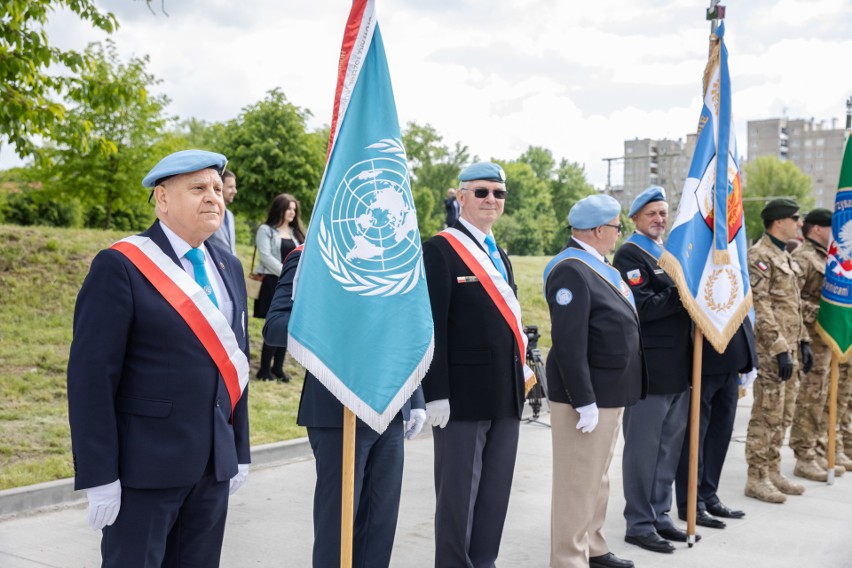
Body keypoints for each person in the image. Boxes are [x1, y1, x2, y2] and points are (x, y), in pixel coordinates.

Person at [67, 149, 250, 566]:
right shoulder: (121, 266)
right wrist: (100, 476)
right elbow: (91, 378)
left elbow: (236, 366)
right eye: (198, 188)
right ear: (162, 199)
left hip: (212, 470)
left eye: (218, 189)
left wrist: (238, 449)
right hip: (143, 473)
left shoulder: (229, 266)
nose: (213, 198)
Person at [263, 245, 426, 568]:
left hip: (389, 407)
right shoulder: (309, 256)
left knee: (379, 525)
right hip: (337, 408)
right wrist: (336, 321)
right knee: (338, 530)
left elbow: (406, 329)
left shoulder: (390, 259)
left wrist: (415, 395)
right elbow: (276, 326)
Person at [421, 162, 532, 568]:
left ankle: (484, 561)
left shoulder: (498, 252)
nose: (491, 200)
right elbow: (433, 326)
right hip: (461, 400)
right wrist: (436, 393)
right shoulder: (440, 249)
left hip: (504, 392)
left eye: (498, 193)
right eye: (482, 192)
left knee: (494, 493)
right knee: (457, 500)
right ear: (461, 196)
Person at [544, 193, 646, 568]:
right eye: (617, 228)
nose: (619, 235)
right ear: (600, 230)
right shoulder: (571, 269)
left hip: (609, 392)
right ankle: (569, 559)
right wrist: (582, 399)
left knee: (596, 479)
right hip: (585, 397)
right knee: (576, 483)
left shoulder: (599, 266)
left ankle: (594, 546)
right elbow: (569, 344)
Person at [612, 187, 693, 554]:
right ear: (635, 220)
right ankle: (639, 523)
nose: (659, 219)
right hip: (651, 368)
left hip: (679, 366)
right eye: (651, 214)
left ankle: (660, 515)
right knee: (643, 451)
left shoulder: (668, 253)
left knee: (668, 449)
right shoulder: (630, 253)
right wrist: (684, 290)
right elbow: (643, 307)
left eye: (663, 213)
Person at [745, 198, 813, 503]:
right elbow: (762, 306)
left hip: (791, 346)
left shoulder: (784, 256)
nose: (799, 223)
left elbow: (792, 306)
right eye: (795, 218)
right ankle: (756, 476)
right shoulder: (759, 255)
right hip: (772, 351)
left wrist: (804, 341)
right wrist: (779, 347)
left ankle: (773, 470)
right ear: (778, 222)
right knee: (766, 413)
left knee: (784, 414)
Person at [674, 322, 757, 529]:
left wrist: (751, 358)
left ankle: (709, 495)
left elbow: (741, 312)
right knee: (695, 436)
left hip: (731, 363)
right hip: (703, 360)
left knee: (721, 434)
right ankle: (691, 503)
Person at [789, 208, 849, 479]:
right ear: (816, 229)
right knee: (810, 400)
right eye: (830, 228)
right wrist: (825, 316)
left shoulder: (831, 258)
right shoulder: (803, 257)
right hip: (811, 341)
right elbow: (791, 299)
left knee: (827, 398)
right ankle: (804, 456)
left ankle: (824, 449)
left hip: (829, 343)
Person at [254, 193, 305, 381]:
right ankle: (264, 369)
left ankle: (278, 367)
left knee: (288, 322)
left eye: (294, 209)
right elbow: (266, 256)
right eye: (288, 208)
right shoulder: (266, 230)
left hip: (293, 285)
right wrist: (287, 272)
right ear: (279, 209)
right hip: (272, 282)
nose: (292, 212)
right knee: (274, 324)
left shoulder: (296, 233)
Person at [209, 169, 238, 255]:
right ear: (219, 187)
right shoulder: (208, 213)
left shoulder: (230, 215)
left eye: (235, 187)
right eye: (230, 187)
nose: (235, 191)